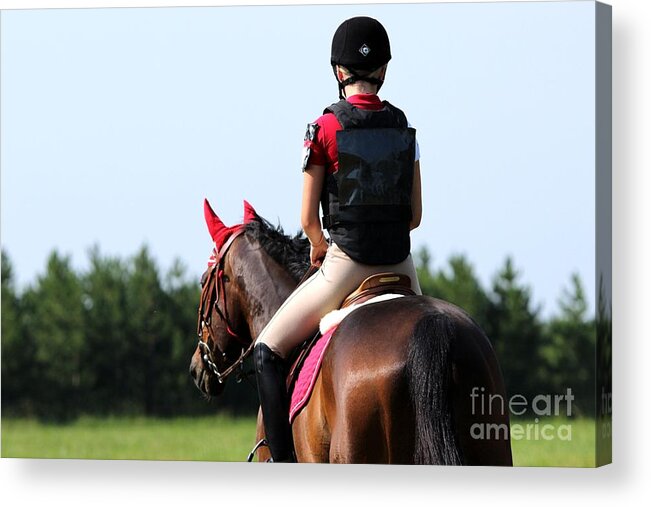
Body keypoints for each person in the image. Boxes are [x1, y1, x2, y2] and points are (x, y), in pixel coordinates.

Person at [253, 16, 423, 463]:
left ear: (337, 72)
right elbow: (416, 216)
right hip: (401, 266)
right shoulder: (403, 125)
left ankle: (284, 469)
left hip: (344, 266)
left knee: (267, 352)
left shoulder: (324, 129)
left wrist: (319, 245)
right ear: (384, 70)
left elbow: (308, 219)